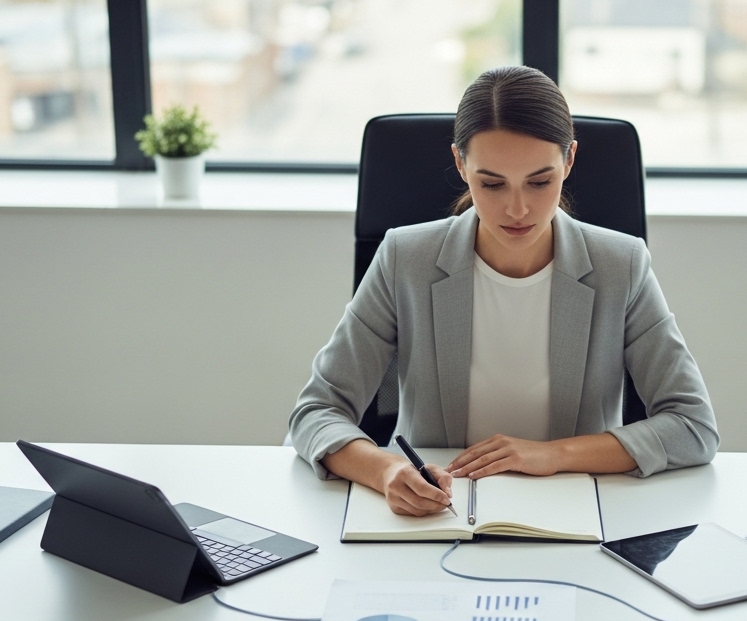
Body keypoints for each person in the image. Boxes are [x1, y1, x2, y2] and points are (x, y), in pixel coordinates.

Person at [290, 65, 718, 517]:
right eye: (491, 184)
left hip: (569, 517)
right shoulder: (404, 258)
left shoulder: (621, 265)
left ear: (569, 161)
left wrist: (552, 455)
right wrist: (385, 470)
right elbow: (317, 410)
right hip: (435, 518)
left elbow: (692, 427)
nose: (517, 208)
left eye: (540, 181)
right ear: (460, 164)